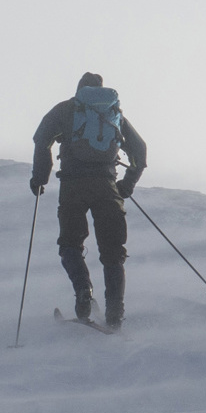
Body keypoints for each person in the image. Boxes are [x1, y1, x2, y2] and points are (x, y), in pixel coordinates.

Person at [30, 72, 147, 329]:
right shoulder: (114, 113)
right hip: (107, 188)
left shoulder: (66, 109)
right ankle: (115, 313)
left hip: (73, 187)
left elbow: (42, 140)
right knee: (113, 253)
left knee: (70, 244)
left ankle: (84, 291)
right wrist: (126, 185)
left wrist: (40, 178)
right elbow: (140, 151)